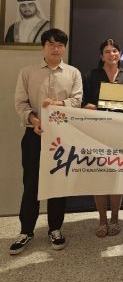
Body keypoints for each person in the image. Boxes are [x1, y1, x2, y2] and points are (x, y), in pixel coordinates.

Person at [9, 28, 83, 255]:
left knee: (58, 184)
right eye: (51, 44)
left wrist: (59, 104)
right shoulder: (27, 72)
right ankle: (26, 231)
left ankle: (55, 229)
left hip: (62, 137)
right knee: (31, 183)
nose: (56, 49)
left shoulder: (73, 73)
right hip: (35, 135)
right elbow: (20, 103)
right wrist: (34, 120)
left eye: (60, 45)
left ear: (64, 48)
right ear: (43, 47)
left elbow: (77, 100)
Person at [82, 39, 123, 238]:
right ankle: (102, 220)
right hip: (97, 131)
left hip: (120, 132)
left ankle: (114, 219)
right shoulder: (91, 75)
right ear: (101, 56)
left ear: (119, 54)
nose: (111, 54)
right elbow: (83, 103)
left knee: (117, 177)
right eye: (107, 51)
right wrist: (96, 106)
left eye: (114, 51)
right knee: (100, 177)